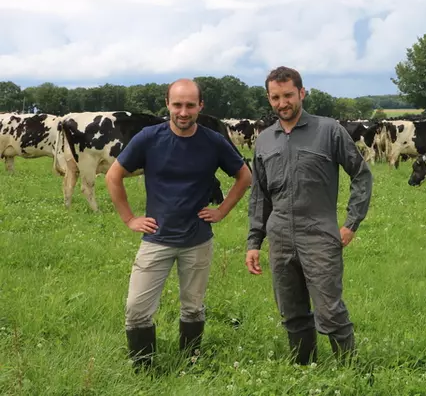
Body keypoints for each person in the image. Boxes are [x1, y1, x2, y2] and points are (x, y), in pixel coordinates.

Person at [105, 78, 252, 370]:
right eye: (177, 105)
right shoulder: (149, 137)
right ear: (167, 105)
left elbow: (244, 176)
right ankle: (144, 369)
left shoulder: (213, 141)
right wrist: (130, 218)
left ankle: (190, 362)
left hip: (197, 240)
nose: (183, 112)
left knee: (193, 307)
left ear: (200, 106)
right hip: (156, 240)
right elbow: (113, 175)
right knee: (136, 309)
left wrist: (221, 211)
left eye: (189, 105)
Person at [245, 66, 373, 365]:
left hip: (319, 235)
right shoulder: (264, 140)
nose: (282, 103)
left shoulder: (328, 131)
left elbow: (361, 174)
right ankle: (304, 366)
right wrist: (254, 241)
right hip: (280, 238)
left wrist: (351, 223)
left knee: (330, 309)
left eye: (288, 95)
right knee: (291, 311)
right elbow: (259, 195)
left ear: (301, 93)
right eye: (275, 97)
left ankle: (349, 369)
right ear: (269, 99)